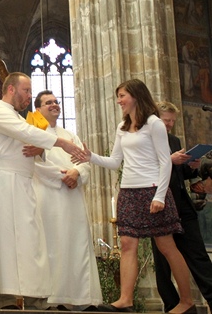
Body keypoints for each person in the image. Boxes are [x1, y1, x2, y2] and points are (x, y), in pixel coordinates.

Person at [74, 79, 195, 314]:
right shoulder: (122, 127)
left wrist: (159, 196)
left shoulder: (154, 124)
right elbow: (115, 161)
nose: (119, 100)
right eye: (118, 96)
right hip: (128, 192)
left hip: (152, 191)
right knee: (128, 244)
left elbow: (164, 162)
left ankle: (187, 301)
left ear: (136, 96)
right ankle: (125, 300)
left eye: (122, 96)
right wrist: (90, 157)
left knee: (167, 246)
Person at [0, 72, 85, 310]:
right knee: (2, 240)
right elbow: (25, 133)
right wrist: (62, 142)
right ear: (11, 89)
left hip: (23, 182)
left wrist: (41, 149)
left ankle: (36, 298)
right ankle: (4, 299)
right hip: (2, 182)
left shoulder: (17, 116)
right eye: (26, 91)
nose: (29, 96)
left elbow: (28, 142)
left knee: (31, 241)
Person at [30, 90, 103, 310]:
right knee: (52, 246)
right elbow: (35, 164)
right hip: (48, 197)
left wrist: (78, 174)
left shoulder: (70, 135)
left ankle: (80, 299)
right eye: (48, 102)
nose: (54, 105)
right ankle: (54, 299)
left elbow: (85, 161)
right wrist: (64, 176)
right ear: (38, 109)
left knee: (77, 245)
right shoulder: (34, 133)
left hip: (72, 199)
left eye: (56, 101)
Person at [151, 101, 212, 312]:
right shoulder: (146, 139)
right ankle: (173, 305)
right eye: (166, 120)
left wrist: (192, 167)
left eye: (172, 121)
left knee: (198, 254)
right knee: (162, 261)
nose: (169, 125)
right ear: (156, 118)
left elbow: (178, 173)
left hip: (182, 204)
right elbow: (146, 169)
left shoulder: (174, 140)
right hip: (159, 204)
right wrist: (170, 159)